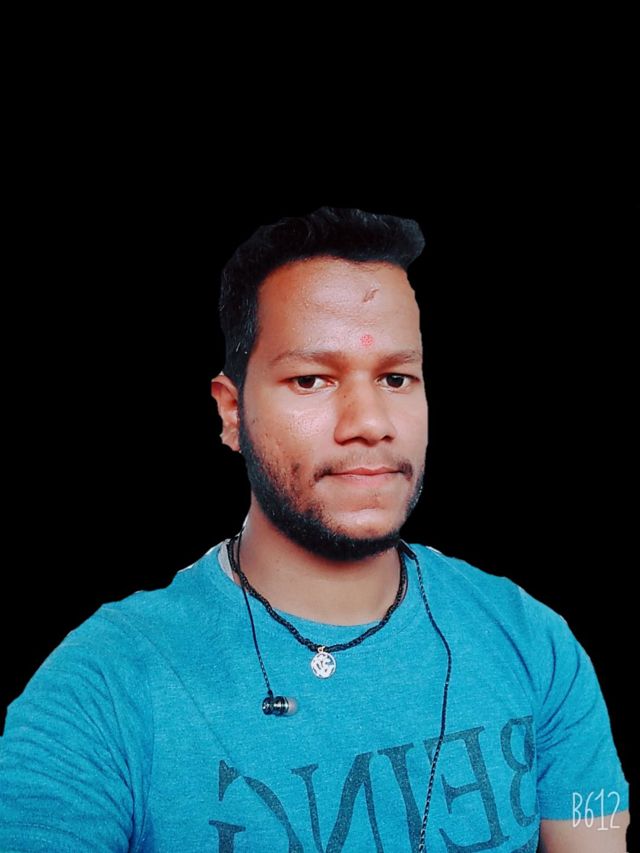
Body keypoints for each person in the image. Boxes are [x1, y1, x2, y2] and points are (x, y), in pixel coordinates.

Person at [0, 207, 630, 851]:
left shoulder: (533, 641)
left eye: (395, 378)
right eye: (311, 380)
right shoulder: (101, 689)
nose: (370, 423)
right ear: (232, 413)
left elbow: (598, 831)